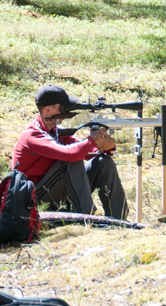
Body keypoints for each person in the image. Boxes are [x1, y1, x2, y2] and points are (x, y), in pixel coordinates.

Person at [11, 85, 129, 219]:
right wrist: (92, 140)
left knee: (103, 163)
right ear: (48, 110)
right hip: (34, 199)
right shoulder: (32, 135)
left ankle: (119, 219)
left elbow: (88, 151)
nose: (67, 110)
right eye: (63, 107)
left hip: (55, 192)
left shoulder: (56, 131)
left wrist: (106, 145)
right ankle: (87, 218)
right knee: (68, 161)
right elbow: (71, 154)